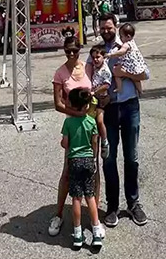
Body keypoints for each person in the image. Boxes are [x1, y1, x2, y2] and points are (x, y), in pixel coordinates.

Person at [95, 13, 148, 228]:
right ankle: (112, 206)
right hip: (108, 110)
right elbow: (90, 78)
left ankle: (133, 203)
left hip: (129, 106)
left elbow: (145, 74)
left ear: (115, 26)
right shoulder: (96, 52)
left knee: (131, 157)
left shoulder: (128, 44)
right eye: (102, 28)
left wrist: (125, 73)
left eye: (109, 27)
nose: (106, 31)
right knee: (108, 158)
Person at [49, 36, 94, 237]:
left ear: (80, 50)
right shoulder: (60, 73)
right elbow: (58, 103)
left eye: (75, 50)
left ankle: (93, 218)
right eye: (68, 51)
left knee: (93, 170)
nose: (71, 54)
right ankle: (58, 214)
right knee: (68, 170)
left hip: (90, 125)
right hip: (74, 126)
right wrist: (78, 115)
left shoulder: (88, 67)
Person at [61, 88, 105, 249]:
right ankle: (96, 231)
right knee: (90, 196)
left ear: (72, 104)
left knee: (76, 198)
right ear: (87, 106)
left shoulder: (68, 122)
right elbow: (94, 142)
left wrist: (66, 143)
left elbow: (65, 143)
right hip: (88, 160)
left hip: (74, 161)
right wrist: (93, 157)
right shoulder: (91, 122)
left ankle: (78, 234)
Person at [87, 44, 112, 159]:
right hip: (94, 100)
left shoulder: (105, 70)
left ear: (103, 57)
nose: (95, 59)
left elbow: (106, 85)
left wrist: (95, 92)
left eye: (98, 57)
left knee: (100, 121)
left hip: (101, 99)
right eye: (93, 57)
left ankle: (105, 142)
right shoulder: (95, 68)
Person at [111, 23, 147, 96]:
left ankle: (119, 87)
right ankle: (140, 91)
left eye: (121, 36)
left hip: (128, 64)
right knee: (136, 80)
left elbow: (122, 51)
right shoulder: (132, 42)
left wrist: (111, 55)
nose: (120, 38)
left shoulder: (126, 44)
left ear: (128, 36)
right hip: (136, 65)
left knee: (116, 73)